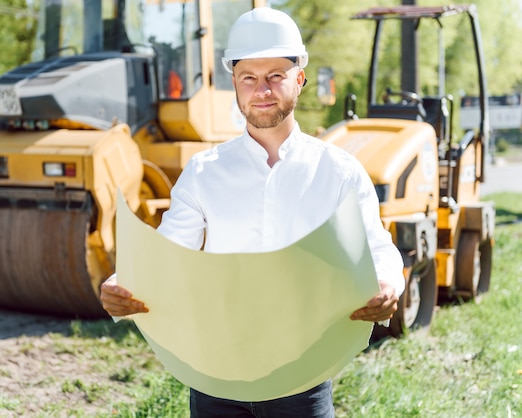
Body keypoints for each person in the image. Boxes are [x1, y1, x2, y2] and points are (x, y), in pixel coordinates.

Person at [100, 6, 405, 418]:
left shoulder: (339, 171)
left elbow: (378, 249)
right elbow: (169, 253)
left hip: (304, 370)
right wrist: (124, 285)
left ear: (299, 79)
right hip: (216, 373)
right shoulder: (204, 173)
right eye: (249, 77)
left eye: (276, 76)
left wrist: (387, 285)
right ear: (234, 84)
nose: (262, 89)